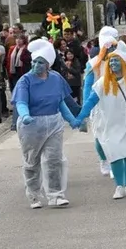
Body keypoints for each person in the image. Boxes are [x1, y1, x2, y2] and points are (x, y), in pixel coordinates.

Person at [12, 38, 82, 208]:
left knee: (54, 159)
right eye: (34, 62)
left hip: (53, 123)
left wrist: (76, 119)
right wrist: (25, 115)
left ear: (48, 64)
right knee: (32, 161)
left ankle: (55, 195)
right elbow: (21, 102)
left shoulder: (56, 78)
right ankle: (34, 194)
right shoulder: (25, 80)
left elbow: (63, 102)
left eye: (40, 62)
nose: (36, 65)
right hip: (31, 125)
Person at [77, 36, 126, 199]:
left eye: (116, 61)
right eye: (111, 62)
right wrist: (80, 118)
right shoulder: (102, 83)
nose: (113, 64)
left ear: (123, 62)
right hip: (110, 124)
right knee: (115, 154)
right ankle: (119, 186)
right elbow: (90, 101)